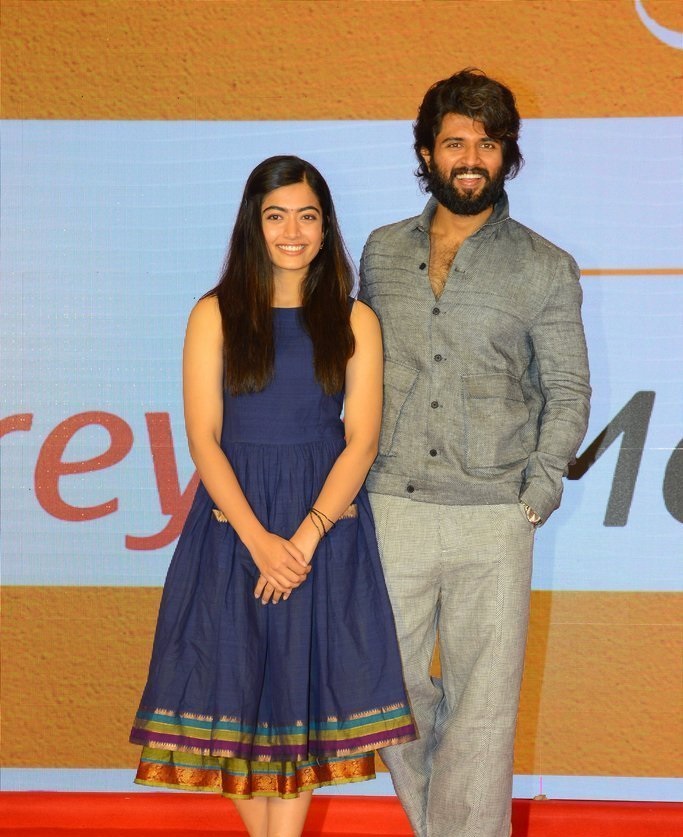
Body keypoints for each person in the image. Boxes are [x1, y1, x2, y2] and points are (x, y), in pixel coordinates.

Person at [130, 155, 415, 837]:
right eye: (276, 215)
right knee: (229, 694)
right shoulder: (214, 313)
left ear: (325, 228)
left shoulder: (356, 321)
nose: (293, 230)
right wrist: (260, 541)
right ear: (253, 226)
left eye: (307, 216)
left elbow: (361, 440)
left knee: (300, 708)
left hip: (324, 526)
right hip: (233, 526)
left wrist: (306, 538)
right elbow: (203, 437)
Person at [359, 69, 591, 837]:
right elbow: (357, 369)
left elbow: (566, 388)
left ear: (506, 156)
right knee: (380, 687)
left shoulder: (543, 266)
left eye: (486, 144)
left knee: (484, 712)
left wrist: (539, 490)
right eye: (454, 141)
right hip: (393, 503)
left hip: (495, 514)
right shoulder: (381, 252)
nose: (470, 157)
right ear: (425, 152)